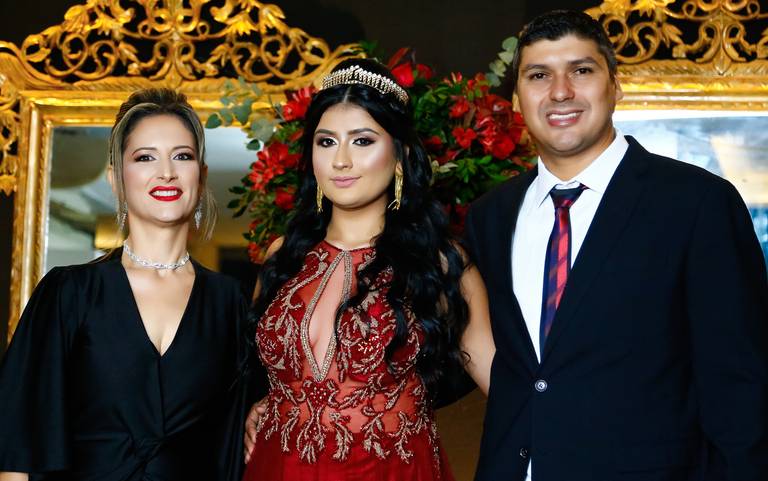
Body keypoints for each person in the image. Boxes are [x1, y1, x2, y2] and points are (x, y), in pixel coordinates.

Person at [464, 10, 768, 481]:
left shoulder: (697, 203)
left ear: (615, 85)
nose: (560, 91)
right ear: (517, 98)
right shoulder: (490, 216)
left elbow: (741, 383)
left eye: (581, 70)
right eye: (539, 75)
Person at [239, 58, 495, 481]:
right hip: (278, 467)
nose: (341, 160)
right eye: (326, 142)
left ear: (400, 155)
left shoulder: (438, 260)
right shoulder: (282, 257)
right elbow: (278, 380)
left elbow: (505, 389)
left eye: (362, 141)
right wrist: (262, 404)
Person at [0, 88, 247, 481]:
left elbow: (239, 444)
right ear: (116, 179)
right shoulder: (68, 293)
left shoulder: (229, 302)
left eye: (182, 156)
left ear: (200, 177)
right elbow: (18, 452)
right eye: (145, 157)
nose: (166, 172)